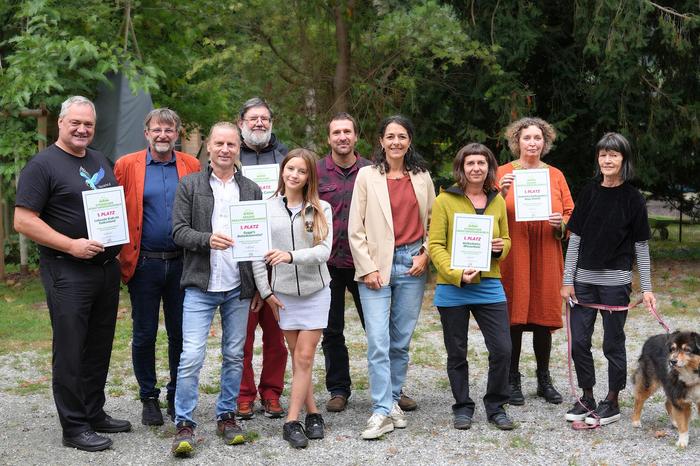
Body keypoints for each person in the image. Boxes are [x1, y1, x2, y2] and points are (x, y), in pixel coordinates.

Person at [14, 96, 131, 452]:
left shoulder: (99, 159)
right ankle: (74, 426)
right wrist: (70, 245)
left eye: (89, 124)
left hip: (105, 270)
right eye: (75, 123)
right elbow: (23, 220)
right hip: (68, 269)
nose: (82, 130)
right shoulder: (43, 165)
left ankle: (94, 412)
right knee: (70, 348)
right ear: (60, 124)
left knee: (98, 346)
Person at [169, 122, 270, 457]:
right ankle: (184, 422)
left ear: (238, 148)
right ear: (208, 147)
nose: (225, 149)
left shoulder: (252, 189)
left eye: (231, 144)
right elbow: (178, 232)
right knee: (191, 356)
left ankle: (226, 416)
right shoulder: (190, 184)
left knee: (234, 355)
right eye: (219, 143)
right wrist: (206, 240)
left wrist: (258, 285)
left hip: (237, 288)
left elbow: (258, 244)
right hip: (201, 284)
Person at [349, 115, 435, 439]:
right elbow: (355, 228)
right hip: (377, 265)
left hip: (412, 264)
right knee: (378, 341)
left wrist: (426, 253)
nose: (396, 142)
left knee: (400, 341)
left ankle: (394, 399)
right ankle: (381, 410)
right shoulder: (366, 176)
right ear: (381, 141)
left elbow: (434, 221)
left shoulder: (422, 176)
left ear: (409, 140)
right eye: (390, 136)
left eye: (402, 136)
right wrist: (367, 267)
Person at [561, 133, 656, 427]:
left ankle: (612, 400)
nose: (607, 160)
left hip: (615, 282)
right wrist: (568, 280)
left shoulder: (633, 199)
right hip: (583, 281)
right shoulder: (589, 192)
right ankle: (587, 397)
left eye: (613, 155)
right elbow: (574, 238)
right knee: (579, 341)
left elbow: (641, 245)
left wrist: (648, 288)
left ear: (623, 160)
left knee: (613, 343)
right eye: (603, 154)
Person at [114, 108, 201, 425]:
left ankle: (176, 393)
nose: (163, 135)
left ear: (177, 134)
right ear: (146, 132)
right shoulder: (127, 166)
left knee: (181, 334)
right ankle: (148, 397)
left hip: (182, 264)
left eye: (169, 129)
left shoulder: (190, 165)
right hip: (144, 264)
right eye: (157, 129)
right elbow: (112, 208)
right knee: (144, 334)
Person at [428, 143, 515, 431]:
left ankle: (496, 405)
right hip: (453, 287)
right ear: (461, 168)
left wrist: (500, 248)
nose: (476, 168)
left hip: (489, 284)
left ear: (489, 167)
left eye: (481, 163)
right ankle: (463, 406)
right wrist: (455, 274)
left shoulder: (497, 200)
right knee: (457, 352)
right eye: (470, 163)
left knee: (502, 348)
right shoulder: (445, 200)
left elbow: (505, 239)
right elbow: (436, 244)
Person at [497, 117, 574, 406]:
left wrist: (561, 224)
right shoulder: (502, 173)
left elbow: (570, 213)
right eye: (527, 137)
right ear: (517, 141)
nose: (532, 143)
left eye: (537, 138)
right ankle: (512, 378)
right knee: (514, 316)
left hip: (545, 250)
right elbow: (486, 211)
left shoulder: (555, 175)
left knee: (543, 315)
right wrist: (500, 192)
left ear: (545, 142)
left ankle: (544, 378)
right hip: (514, 252)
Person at [262, 149, 333, 448]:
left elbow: (323, 251)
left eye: (301, 171)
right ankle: (314, 411)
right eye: (290, 168)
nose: (294, 175)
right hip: (283, 295)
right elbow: (257, 254)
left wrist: (290, 256)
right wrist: (266, 292)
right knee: (298, 357)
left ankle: (292, 421)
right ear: (282, 171)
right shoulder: (266, 208)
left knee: (304, 356)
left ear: (308, 177)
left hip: (316, 292)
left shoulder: (320, 209)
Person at [236, 97, 289, 420]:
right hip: (240, 260)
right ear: (241, 122)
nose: (259, 123)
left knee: (276, 336)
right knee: (240, 336)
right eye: (253, 118)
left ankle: (271, 393)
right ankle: (243, 395)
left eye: (264, 118)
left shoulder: (286, 158)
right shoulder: (228, 157)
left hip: (278, 259)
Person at [317, 113, 371, 412]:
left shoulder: (371, 171)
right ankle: (338, 389)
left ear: (355, 136)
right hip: (328, 265)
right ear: (329, 138)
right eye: (336, 132)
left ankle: (391, 388)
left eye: (347, 132)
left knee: (376, 328)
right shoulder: (316, 172)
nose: (342, 137)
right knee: (332, 330)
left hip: (365, 264)